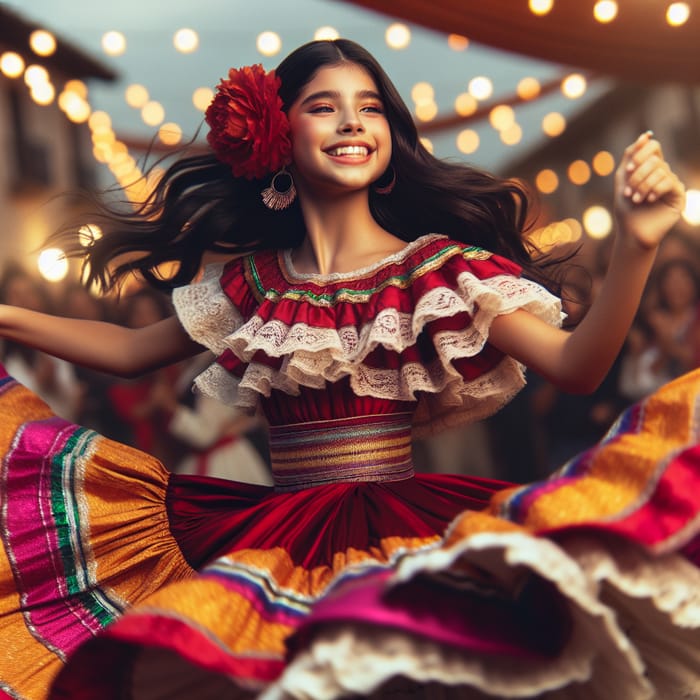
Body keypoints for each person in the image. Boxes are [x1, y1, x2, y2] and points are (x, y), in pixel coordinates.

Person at [0, 38, 694, 700]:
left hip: (400, 535)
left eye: (370, 107)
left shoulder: (435, 268)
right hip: (273, 542)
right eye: (324, 105)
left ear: (390, 137)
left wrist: (635, 245)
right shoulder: (251, 283)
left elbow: (577, 366)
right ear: (277, 137)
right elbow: (127, 352)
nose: (352, 122)